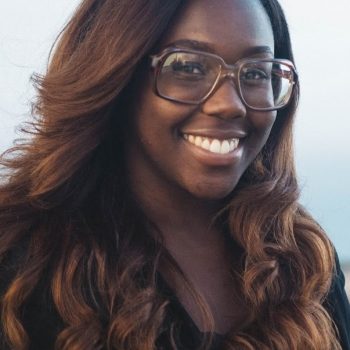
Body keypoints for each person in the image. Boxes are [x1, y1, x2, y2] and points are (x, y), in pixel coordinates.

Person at [0, 0, 349, 349]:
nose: (229, 104)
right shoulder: (25, 257)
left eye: (256, 73)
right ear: (118, 74)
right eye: (188, 67)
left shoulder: (302, 260)